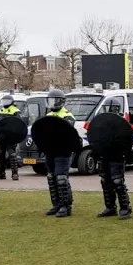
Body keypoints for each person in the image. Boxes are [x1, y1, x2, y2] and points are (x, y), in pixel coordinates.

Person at [42, 89, 76, 218]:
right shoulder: (48, 116)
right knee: (51, 177)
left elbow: (65, 134)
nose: (53, 103)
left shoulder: (67, 116)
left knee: (61, 177)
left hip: (63, 151)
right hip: (50, 151)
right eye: (51, 100)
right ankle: (56, 204)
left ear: (61, 101)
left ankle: (66, 206)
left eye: (55, 100)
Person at [96, 104, 132, 221]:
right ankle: (110, 207)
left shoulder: (121, 122)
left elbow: (126, 139)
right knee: (105, 181)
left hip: (117, 155)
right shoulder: (102, 122)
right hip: (104, 154)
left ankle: (125, 208)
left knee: (117, 181)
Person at [0, 94, 22, 181]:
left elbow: (18, 124)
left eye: (7, 101)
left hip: (11, 136)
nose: (5, 103)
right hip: (2, 136)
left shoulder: (15, 111)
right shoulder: (1, 110)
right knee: (0, 155)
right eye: (4, 101)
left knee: (12, 154)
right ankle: (1, 173)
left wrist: (16, 135)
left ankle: (15, 173)